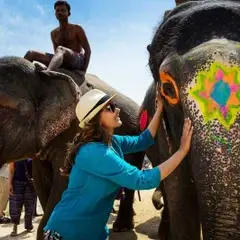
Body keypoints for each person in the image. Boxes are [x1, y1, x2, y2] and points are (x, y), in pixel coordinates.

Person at [43, 88, 193, 240]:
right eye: (110, 108)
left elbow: (143, 140)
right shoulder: (95, 153)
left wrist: (159, 109)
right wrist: (181, 151)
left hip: (94, 232)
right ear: (97, 120)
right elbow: (141, 179)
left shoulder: (112, 142)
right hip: (67, 233)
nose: (117, 110)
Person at [24, 1, 91, 72]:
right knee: (31, 53)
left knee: (60, 49)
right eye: (57, 11)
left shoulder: (77, 28)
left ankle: (48, 72)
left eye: (63, 10)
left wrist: (83, 71)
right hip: (63, 61)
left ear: (69, 13)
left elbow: (88, 50)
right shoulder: (53, 33)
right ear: (55, 14)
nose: (59, 12)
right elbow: (57, 53)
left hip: (77, 60)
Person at [8, 158, 37, 237]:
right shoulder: (15, 155)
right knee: (15, 206)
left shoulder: (33, 155)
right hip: (16, 183)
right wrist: (9, 184)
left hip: (30, 184)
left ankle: (29, 226)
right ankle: (14, 227)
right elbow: (11, 170)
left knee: (29, 206)